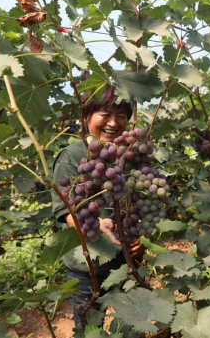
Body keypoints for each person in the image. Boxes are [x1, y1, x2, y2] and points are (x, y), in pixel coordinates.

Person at [51, 85, 144, 337]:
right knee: (89, 329)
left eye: (121, 117)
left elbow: (136, 206)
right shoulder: (71, 156)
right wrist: (98, 224)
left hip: (125, 261)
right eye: (105, 114)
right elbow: (66, 212)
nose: (113, 123)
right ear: (86, 116)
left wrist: (139, 239)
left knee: (132, 326)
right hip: (87, 264)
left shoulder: (128, 155)